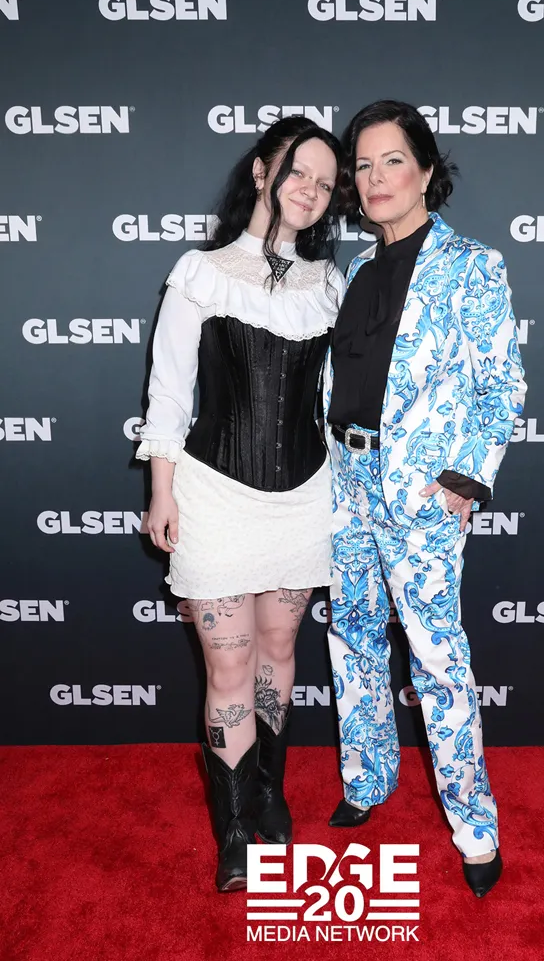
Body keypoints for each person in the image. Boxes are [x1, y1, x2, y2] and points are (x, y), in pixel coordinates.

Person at [323, 100, 527, 898]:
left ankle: (475, 827)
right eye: (363, 165)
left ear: (427, 171)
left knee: (439, 662)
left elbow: (501, 387)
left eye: (393, 161)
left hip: (420, 497)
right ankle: (367, 779)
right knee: (353, 641)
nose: (376, 178)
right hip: (345, 483)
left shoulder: (473, 265)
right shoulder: (356, 271)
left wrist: (462, 480)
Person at [136, 116, 344, 892]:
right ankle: (232, 830)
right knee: (228, 663)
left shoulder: (330, 286)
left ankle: (267, 791)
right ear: (262, 171)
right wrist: (161, 491)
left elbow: (333, 402)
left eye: (325, 182)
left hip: (305, 498)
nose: (310, 190)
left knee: (279, 651)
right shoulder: (202, 271)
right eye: (298, 171)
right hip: (215, 495)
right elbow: (169, 391)